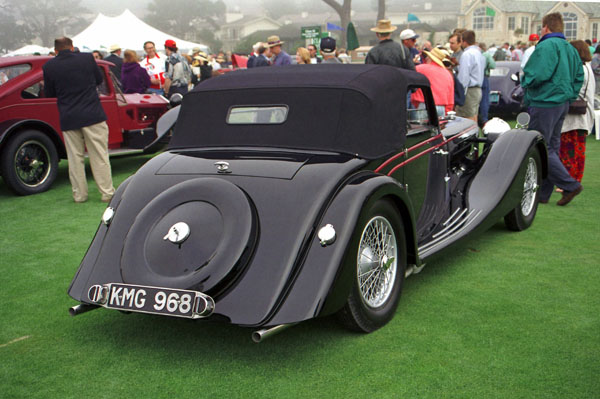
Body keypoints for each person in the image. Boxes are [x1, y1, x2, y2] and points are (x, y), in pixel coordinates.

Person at [42, 37, 115, 203]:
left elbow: (49, 92)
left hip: (68, 115)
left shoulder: (49, 66)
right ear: (72, 46)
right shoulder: (87, 58)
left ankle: (79, 195)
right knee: (99, 155)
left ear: (56, 50)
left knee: (75, 158)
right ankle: (107, 192)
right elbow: (98, 80)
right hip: (92, 113)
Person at [522, 12, 584, 206]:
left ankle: (570, 185)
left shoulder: (546, 46)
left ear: (546, 27)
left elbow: (538, 73)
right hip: (562, 102)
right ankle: (543, 193)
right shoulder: (570, 48)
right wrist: (569, 95)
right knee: (551, 148)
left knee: (541, 147)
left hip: (545, 101)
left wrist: (525, 82)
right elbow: (578, 77)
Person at [559, 40, 595, 184]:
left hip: (575, 117)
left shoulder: (579, 69)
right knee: (578, 152)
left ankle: (569, 181)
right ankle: (575, 179)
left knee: (569, 151)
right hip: (584, 116)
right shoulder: (588, 68)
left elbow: (571, 91)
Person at [411, 47, 454, 115]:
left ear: (430, 58)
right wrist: (447, 111)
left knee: (420, 126)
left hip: (424, 105)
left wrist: (412, 63)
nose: (426, 58)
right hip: (441, 107)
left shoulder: (421, 68)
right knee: (439, 125)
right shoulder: (447, 74)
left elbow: (408, 72)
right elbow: (450, 98)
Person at [455, 30, 485, 122]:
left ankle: (469, 135)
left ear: (464, 41)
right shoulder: (479, 53)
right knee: (474, 115)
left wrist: (459, 91)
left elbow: (464, 76)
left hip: (469, 90)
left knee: (466, 117)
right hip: (477, 89)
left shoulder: (467, 54)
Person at [479, 43, 496, 124]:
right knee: (484, 99)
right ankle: (484, 118)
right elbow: (493, 65)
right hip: (484, 77)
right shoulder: (486, 55)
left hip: (475, 77)